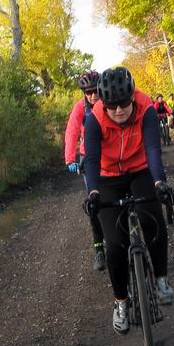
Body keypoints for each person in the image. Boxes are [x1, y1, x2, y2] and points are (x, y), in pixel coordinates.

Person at [83, 67, 174, 335]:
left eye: (124, 103)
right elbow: (90, 159)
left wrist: (159, 182)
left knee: (154, 222)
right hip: (107, 176)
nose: (119, 110)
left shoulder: (146, 106)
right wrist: (93, 194)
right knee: (115, 244)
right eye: (112, 105)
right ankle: (121, 303)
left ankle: (161, 280)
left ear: (132, 97)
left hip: (140, 170)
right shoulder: (95, 118)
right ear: (104, 103)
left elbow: (152, 148)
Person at [64, 70, 106, 272]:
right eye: (88, 92)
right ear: (84, 93)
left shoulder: (108, 101)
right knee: (94, 202)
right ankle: (99, 249)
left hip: (109, 153)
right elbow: (71, 131)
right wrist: (70, 158)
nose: (93, 95)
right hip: (87, 156)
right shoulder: (80, 107)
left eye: (95, 90)